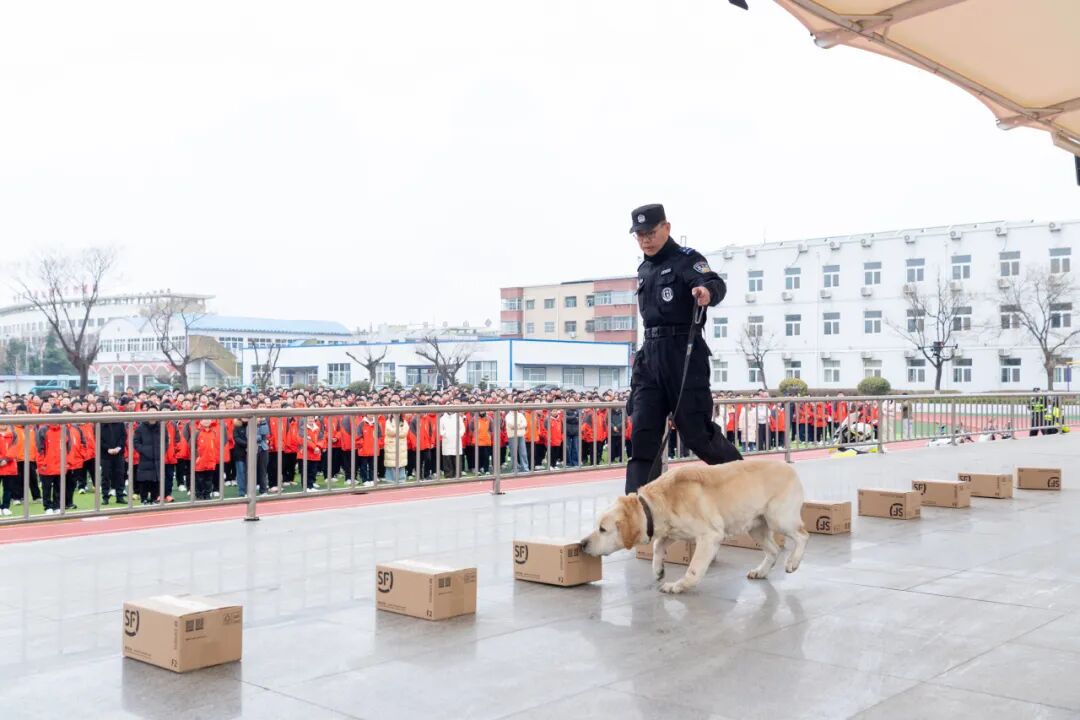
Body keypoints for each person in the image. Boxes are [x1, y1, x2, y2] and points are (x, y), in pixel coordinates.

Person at [624, 203, 742, 494]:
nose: (645, 240)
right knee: (642, 436)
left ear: (666, 228)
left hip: (683, 354)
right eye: (639, 235)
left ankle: (747, 483)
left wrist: (706, 292)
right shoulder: (644, 269)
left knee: (697, 433)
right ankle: (637, 506)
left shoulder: (686, 259)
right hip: (649, 357)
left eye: (650, 233)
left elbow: (713, 282)